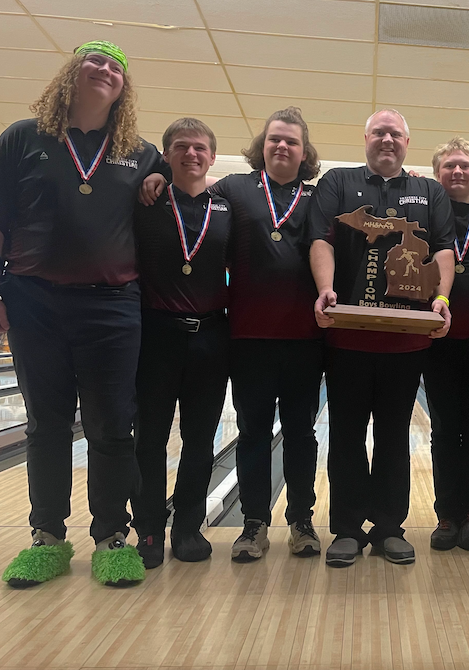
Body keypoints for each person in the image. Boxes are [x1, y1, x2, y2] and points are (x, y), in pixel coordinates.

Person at [0, 41, 165, 587]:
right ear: (71, 73)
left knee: (111, 425)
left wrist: (163, 180)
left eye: (117, 68)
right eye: (95, 61)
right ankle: (47, 537)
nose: (106, 71)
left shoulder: (140, 152)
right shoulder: (22, 138)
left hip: (112, 303)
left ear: (124, 88)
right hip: (34, 301)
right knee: (47, 423)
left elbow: (171, 202)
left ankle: (111, 537)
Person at [310, 109, 454, 567]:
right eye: (379, 132)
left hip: (405, 340)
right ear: (366, 138)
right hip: (348, 337)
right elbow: (322, 240)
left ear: (407, 141)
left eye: (395, 133)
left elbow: (445, 249)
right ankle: (348, 529)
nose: (387, 139)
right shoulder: (337, 182)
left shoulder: (428, 190)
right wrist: (326, 289)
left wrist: (442, 300)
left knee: (394, 435)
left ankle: (391, 527)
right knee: (347, 436)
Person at [209, 108, 324, 562]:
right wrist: (157, 175)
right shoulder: (234, 188)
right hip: (249, 337)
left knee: (301, 433)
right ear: (263, 144)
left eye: (292, 141)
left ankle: (301, 520)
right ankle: (253, 522)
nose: (282, 146)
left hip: (304, 339)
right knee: (254, 431)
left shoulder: (316, 198)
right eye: (275, 139)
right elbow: (191, 197)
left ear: (304, 151)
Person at [131, 118, 231, 568]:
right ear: (165, 155)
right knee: (148, 438)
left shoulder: (227, 205)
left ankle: (188, 524)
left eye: (200, 148)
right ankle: (150, 528)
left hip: (211, 335)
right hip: (156, 335)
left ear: (212, 156)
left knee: (200, 438)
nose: (191, 154)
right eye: (181, 147)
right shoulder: (144, 200)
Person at [424, 138, 469, 552]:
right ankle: (447, 514)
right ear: (437, 174)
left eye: (464, 165)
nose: (457, 172)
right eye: (448, 166)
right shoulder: (428, 213)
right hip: (438, 340)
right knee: (445, 431)